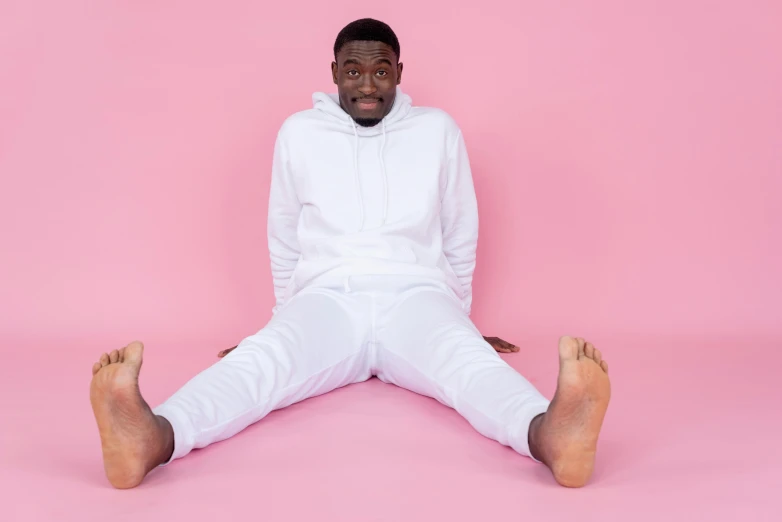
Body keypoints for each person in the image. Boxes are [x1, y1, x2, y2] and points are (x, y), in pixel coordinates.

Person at [89, 18, 611, 490]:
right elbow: (284, 233)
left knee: (469, 367)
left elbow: (460, 231)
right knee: (261, 365)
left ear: (400, 72)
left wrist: (459, 317)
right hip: (327, 299)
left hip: (418, 298)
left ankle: (551, 436)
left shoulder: (437, 132)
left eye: (381, 71)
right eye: (354, 71)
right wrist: (282, 320)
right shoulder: (299, 133)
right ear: (334, 71)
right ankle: (152, 437)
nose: (367, 85)